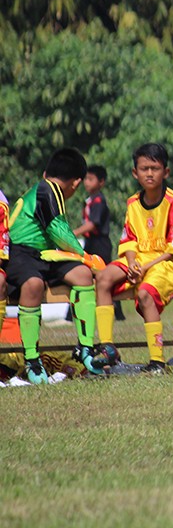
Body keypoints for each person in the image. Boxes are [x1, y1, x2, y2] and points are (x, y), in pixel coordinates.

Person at [4, 148, 103, 383]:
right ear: (76, 183)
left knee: (81, 275)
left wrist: (83, 262)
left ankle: (85, 348)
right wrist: (85, 255)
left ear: (46, 171)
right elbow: (59, 231)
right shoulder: (50, 188)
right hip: (19, 251)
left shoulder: (44, 187)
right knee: (33, 284)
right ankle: (31, 359)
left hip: (43, 253)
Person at [94, 143, 173, 374]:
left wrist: (144, 267)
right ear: (134, 173)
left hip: (168, 263)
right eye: (144, 168)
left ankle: (157, 362)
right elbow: (128, 239)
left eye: (155, 168)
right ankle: (108, 348)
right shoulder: (132, 203)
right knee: (103, 277)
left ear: (165, 172)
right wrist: (132, 263)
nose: (149, 173)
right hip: (138, 261)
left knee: (145, 294)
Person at [73, 165, 124, 320]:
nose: (87, 183)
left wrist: (74, 233)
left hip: (100, 243)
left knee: (106, 275)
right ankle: (73, 314)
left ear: (101, 182)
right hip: (90, 242)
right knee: (85, 274)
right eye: (86, 179)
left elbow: (93, 224)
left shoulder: (99, 201)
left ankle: (118, 312)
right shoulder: (89, 200)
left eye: (91, 179)